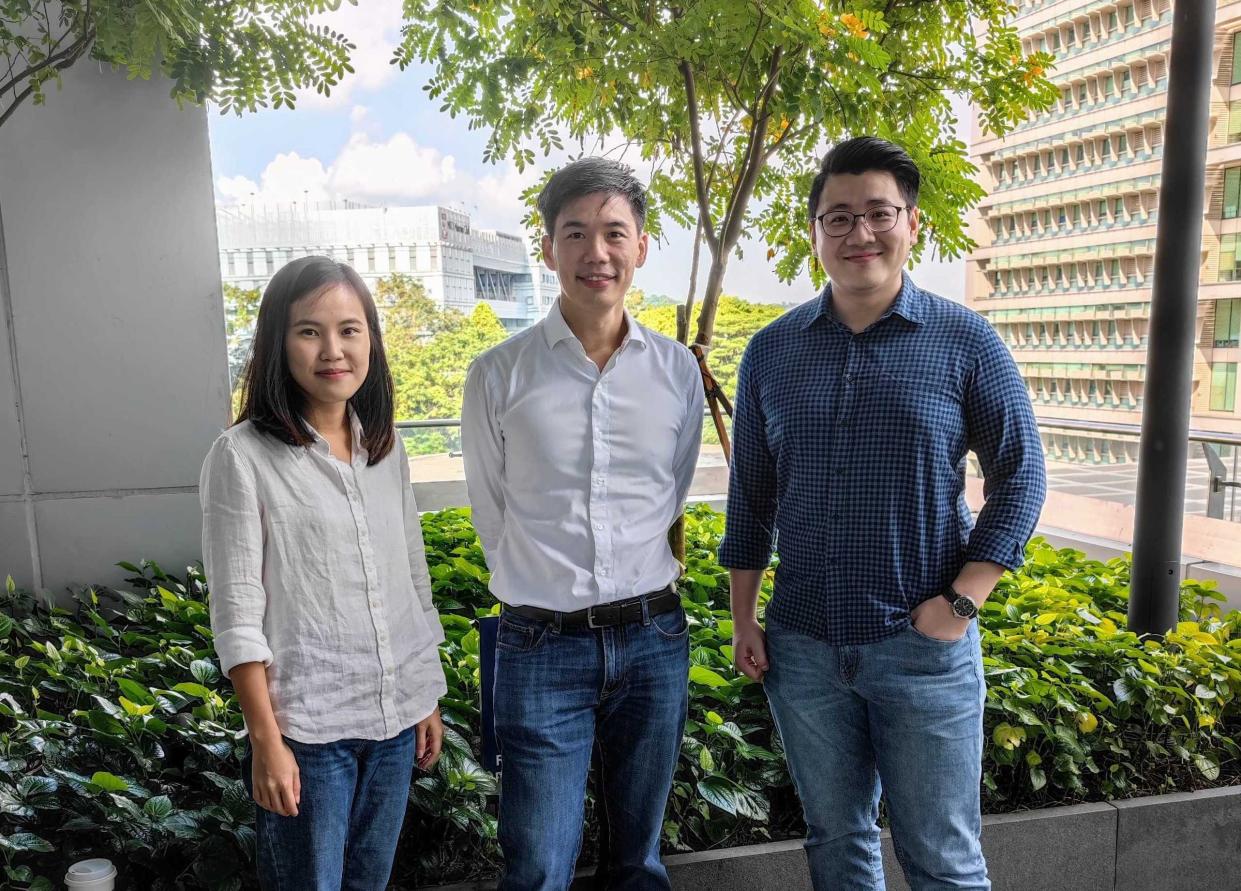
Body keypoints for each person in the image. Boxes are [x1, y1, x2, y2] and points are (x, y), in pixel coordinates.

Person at [719, 136, 1047, 891]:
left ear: (913, 224)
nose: (857, 233)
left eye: (877, 213)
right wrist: (744, 617)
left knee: (942, 859)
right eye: (836, 217)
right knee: (836, 842)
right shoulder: (771, 351)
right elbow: (751, 497)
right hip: (801, 648)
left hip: (920, 647)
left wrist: (961, 602)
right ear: (813, 233)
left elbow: (1021, 476)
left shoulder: (964, 340)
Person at [462, 157, 704, 890]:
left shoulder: (675, 372)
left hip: (654, 638)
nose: (594, 252)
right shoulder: (498, 373)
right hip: (540, 644)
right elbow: (489, 510)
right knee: (537, 866)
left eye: (612, 233)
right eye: (575, 233)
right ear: (547, 249)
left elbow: (675, 488)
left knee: (638, 861)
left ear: (640, 246)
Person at [200, 256, 447, 890]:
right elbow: (236, 611)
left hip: (393, 722)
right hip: (309, 733)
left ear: (371, 340)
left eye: (350, 329)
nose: (332, 349)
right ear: (278, 343)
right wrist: (266, 742)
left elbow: (410, 580)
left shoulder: (384, 448)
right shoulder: (243, 455)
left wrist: (425, 696)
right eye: (309, 330)